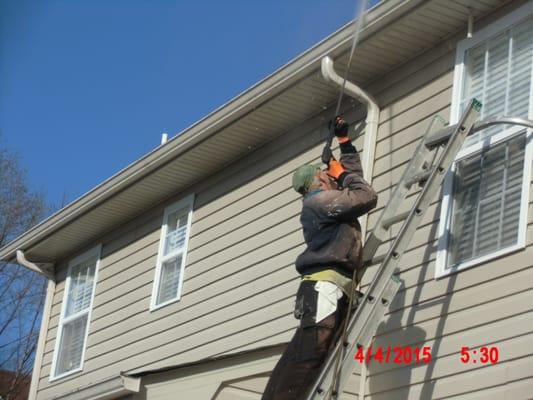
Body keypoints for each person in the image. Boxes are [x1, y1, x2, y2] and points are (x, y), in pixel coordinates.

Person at [262, 116, 378, 400]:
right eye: (323, 172)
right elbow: (366, 195)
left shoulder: (327, 202)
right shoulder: (319, 203)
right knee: (310, 356)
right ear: (316, 180)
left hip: (330, 289)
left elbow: (354, 181)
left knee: (311, 354)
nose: (327, 173)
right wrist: (340, 173)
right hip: (324, 288)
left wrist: (344, 142)